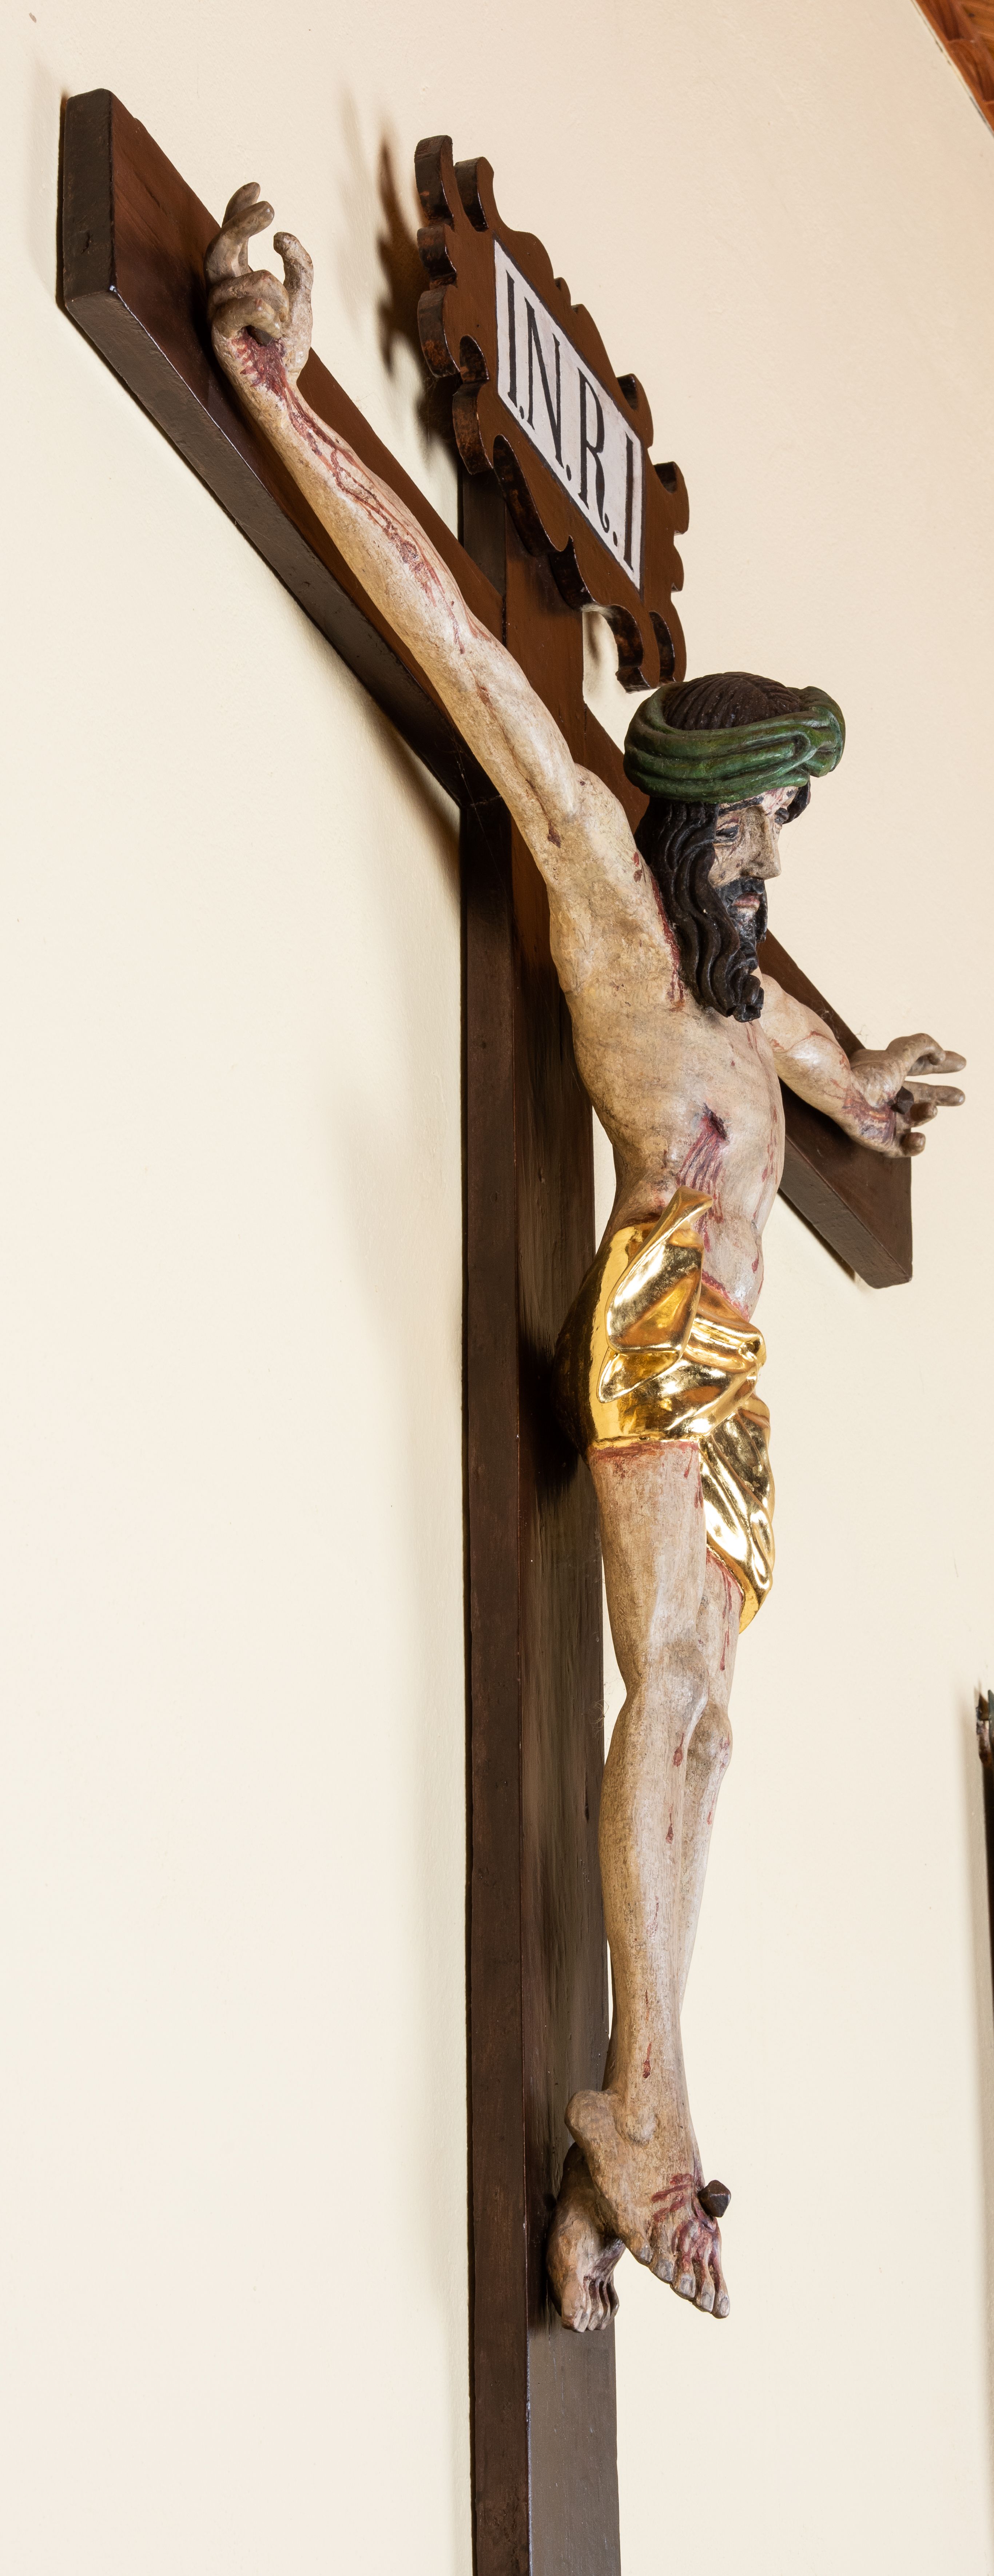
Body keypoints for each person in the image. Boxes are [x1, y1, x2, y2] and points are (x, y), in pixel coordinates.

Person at [204, 187, 965, 2330]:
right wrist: (273, 374)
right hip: (651, 1335)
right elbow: (465, 647)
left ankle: (635, 2110)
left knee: (710, 1733)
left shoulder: (729, 984)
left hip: (733, 1385)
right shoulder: (619, 910)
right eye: (760, 824)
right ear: (693, 822)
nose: (774, 860)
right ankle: (644, 2113)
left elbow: (788, 1041)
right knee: (679, 1696)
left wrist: (863, 1080)